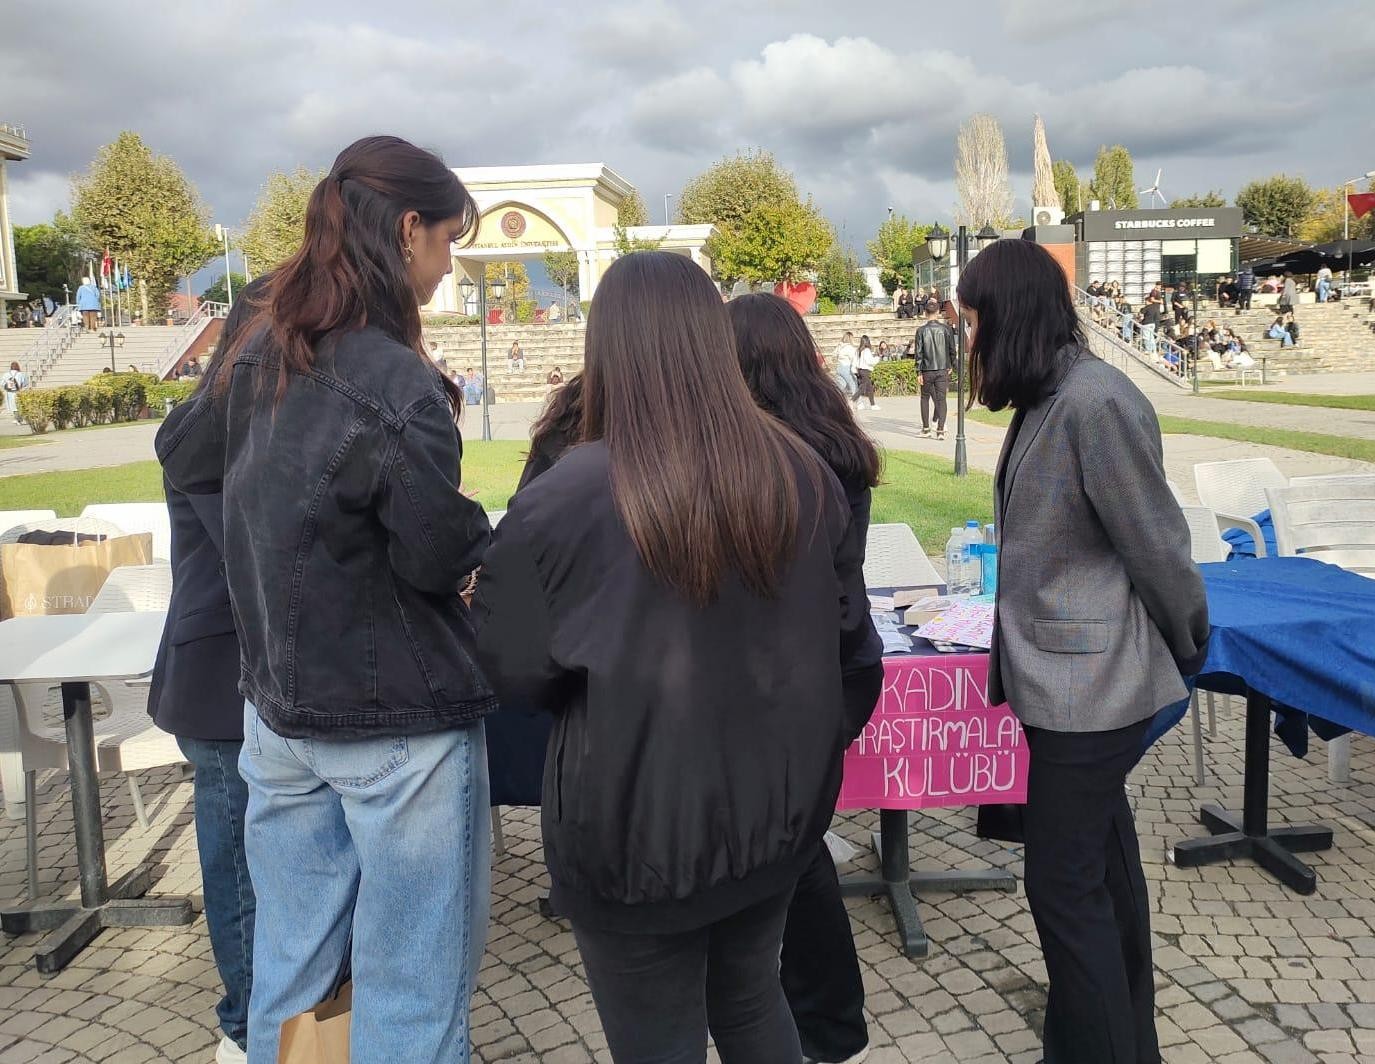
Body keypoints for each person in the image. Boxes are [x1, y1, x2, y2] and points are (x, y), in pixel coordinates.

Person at [471, 252, 880, 1064]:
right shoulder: (800, 469)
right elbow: (849, 645)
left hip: (644, 829)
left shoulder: (564, 496)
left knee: (696, 1024)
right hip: (764, 812)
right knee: (752, 1002)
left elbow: (511, 668)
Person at [157, 135, 495, 1064]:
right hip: (389, 721)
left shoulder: (268, 346)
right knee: (408, 990)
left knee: (292, 968)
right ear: (409, 229)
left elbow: (183, 454)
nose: (448, 263)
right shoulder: (389, 379)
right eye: (448, 241)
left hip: (284, 714)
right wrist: (482, 543)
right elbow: (433, 551)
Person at [957, 239, 1208, 1064]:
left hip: (1091, 691)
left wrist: (1188, 641)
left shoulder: (1095, 402)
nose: (970, 341)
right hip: (1061, 684)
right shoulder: (1048, 395)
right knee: (1101, 868)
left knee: (1061, 883)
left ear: (1012, 316)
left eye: (975, 322)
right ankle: (1118, 1041)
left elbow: (1160, 546)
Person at [727, 293, 884, 1064]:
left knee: (789, 848)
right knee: (796, 839)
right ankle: (823, 1015)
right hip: (842, 664)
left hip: (809, 668)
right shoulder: (832, 440)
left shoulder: (782, 457)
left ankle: (819, 1015)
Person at [150, 284, 271, 1064]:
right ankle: (243, 1025)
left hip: (259, 671)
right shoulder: (203, 433)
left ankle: (275, 1014)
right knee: (237, 866)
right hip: (218, 676)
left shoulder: (251, 422)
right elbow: (251, 551)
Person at [914, 301, 955, 439]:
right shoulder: (946, 329)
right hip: (942, 368)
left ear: (925, 313)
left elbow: (918, 353)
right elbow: (952, 350)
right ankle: (940, 430)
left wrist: (918, 371)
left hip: (927, 369)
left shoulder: (921, 331)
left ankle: (926, 429)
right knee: (942, 399)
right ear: (938, 312)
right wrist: (951, 365)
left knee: (925, 398)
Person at [853, 333, 880, 410]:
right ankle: (851, 401)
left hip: (860, 370)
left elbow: (855, 361)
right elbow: (870, 361)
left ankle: (873, 405)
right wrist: (877, 359)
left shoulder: (858, 350)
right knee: (862, 389)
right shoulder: (867, 350)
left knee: (869, 388)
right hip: (865, 371)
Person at [832, 331, 859, 398]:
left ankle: (834, 398)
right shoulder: (849, 348)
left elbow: (834, 354)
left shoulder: (839, 346)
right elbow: (854, 358)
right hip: (847, 367)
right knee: (853, 384)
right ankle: (858, 402)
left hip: (839, 367)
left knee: (841, 385)